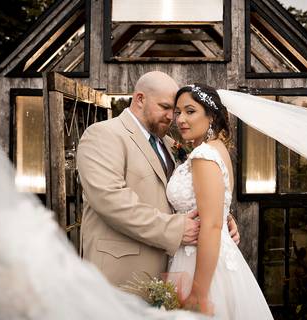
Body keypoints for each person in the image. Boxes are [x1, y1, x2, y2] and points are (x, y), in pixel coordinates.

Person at [76, 71, 239, 287]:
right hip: (120, 274)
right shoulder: (103, 134)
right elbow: (110, 200)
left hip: (168, 271)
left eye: (176, 110)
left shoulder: (169, 144)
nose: (173, 117)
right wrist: (177, 229)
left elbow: (192, 191)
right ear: (140, 99)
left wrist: (220, 214)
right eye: (165, 107)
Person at [167, 84, 274, 319]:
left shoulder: (203, 155)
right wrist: (227, 215)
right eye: (177, 112)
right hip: (210, 255)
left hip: (200, 263)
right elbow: (217, 208)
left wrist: (198, 293)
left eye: (190, 111)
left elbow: (212, 225)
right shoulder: (217, 149)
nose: (181, 119)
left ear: (211, 116)